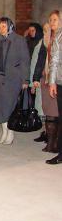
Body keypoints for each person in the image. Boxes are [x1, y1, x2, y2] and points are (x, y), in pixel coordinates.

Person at [0, 17, 30, 145]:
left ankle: (10, 132)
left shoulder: (19, 40)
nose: (1, 29)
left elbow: (25, 62)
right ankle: (4, 131)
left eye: (4, 26)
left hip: (14, 78)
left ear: (10, 26)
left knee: (11, 106)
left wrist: (25, 79)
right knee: (0, 107)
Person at [33, 11, 60, 153]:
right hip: (46, 79)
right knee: (49, 112)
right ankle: (50, 142)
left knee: (56, 113)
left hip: (56, 80)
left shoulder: (58, 39)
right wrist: (36, 78)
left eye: (54, 20)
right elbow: (39, 62)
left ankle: (55, 143)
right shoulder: (45, 42)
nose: (46, 31)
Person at [47, 9, 62, 165]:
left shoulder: (58, 36)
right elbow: (55, 60)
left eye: (55, 20)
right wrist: (52, 81)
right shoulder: (58, 36)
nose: (52, 23)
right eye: (50, 20)